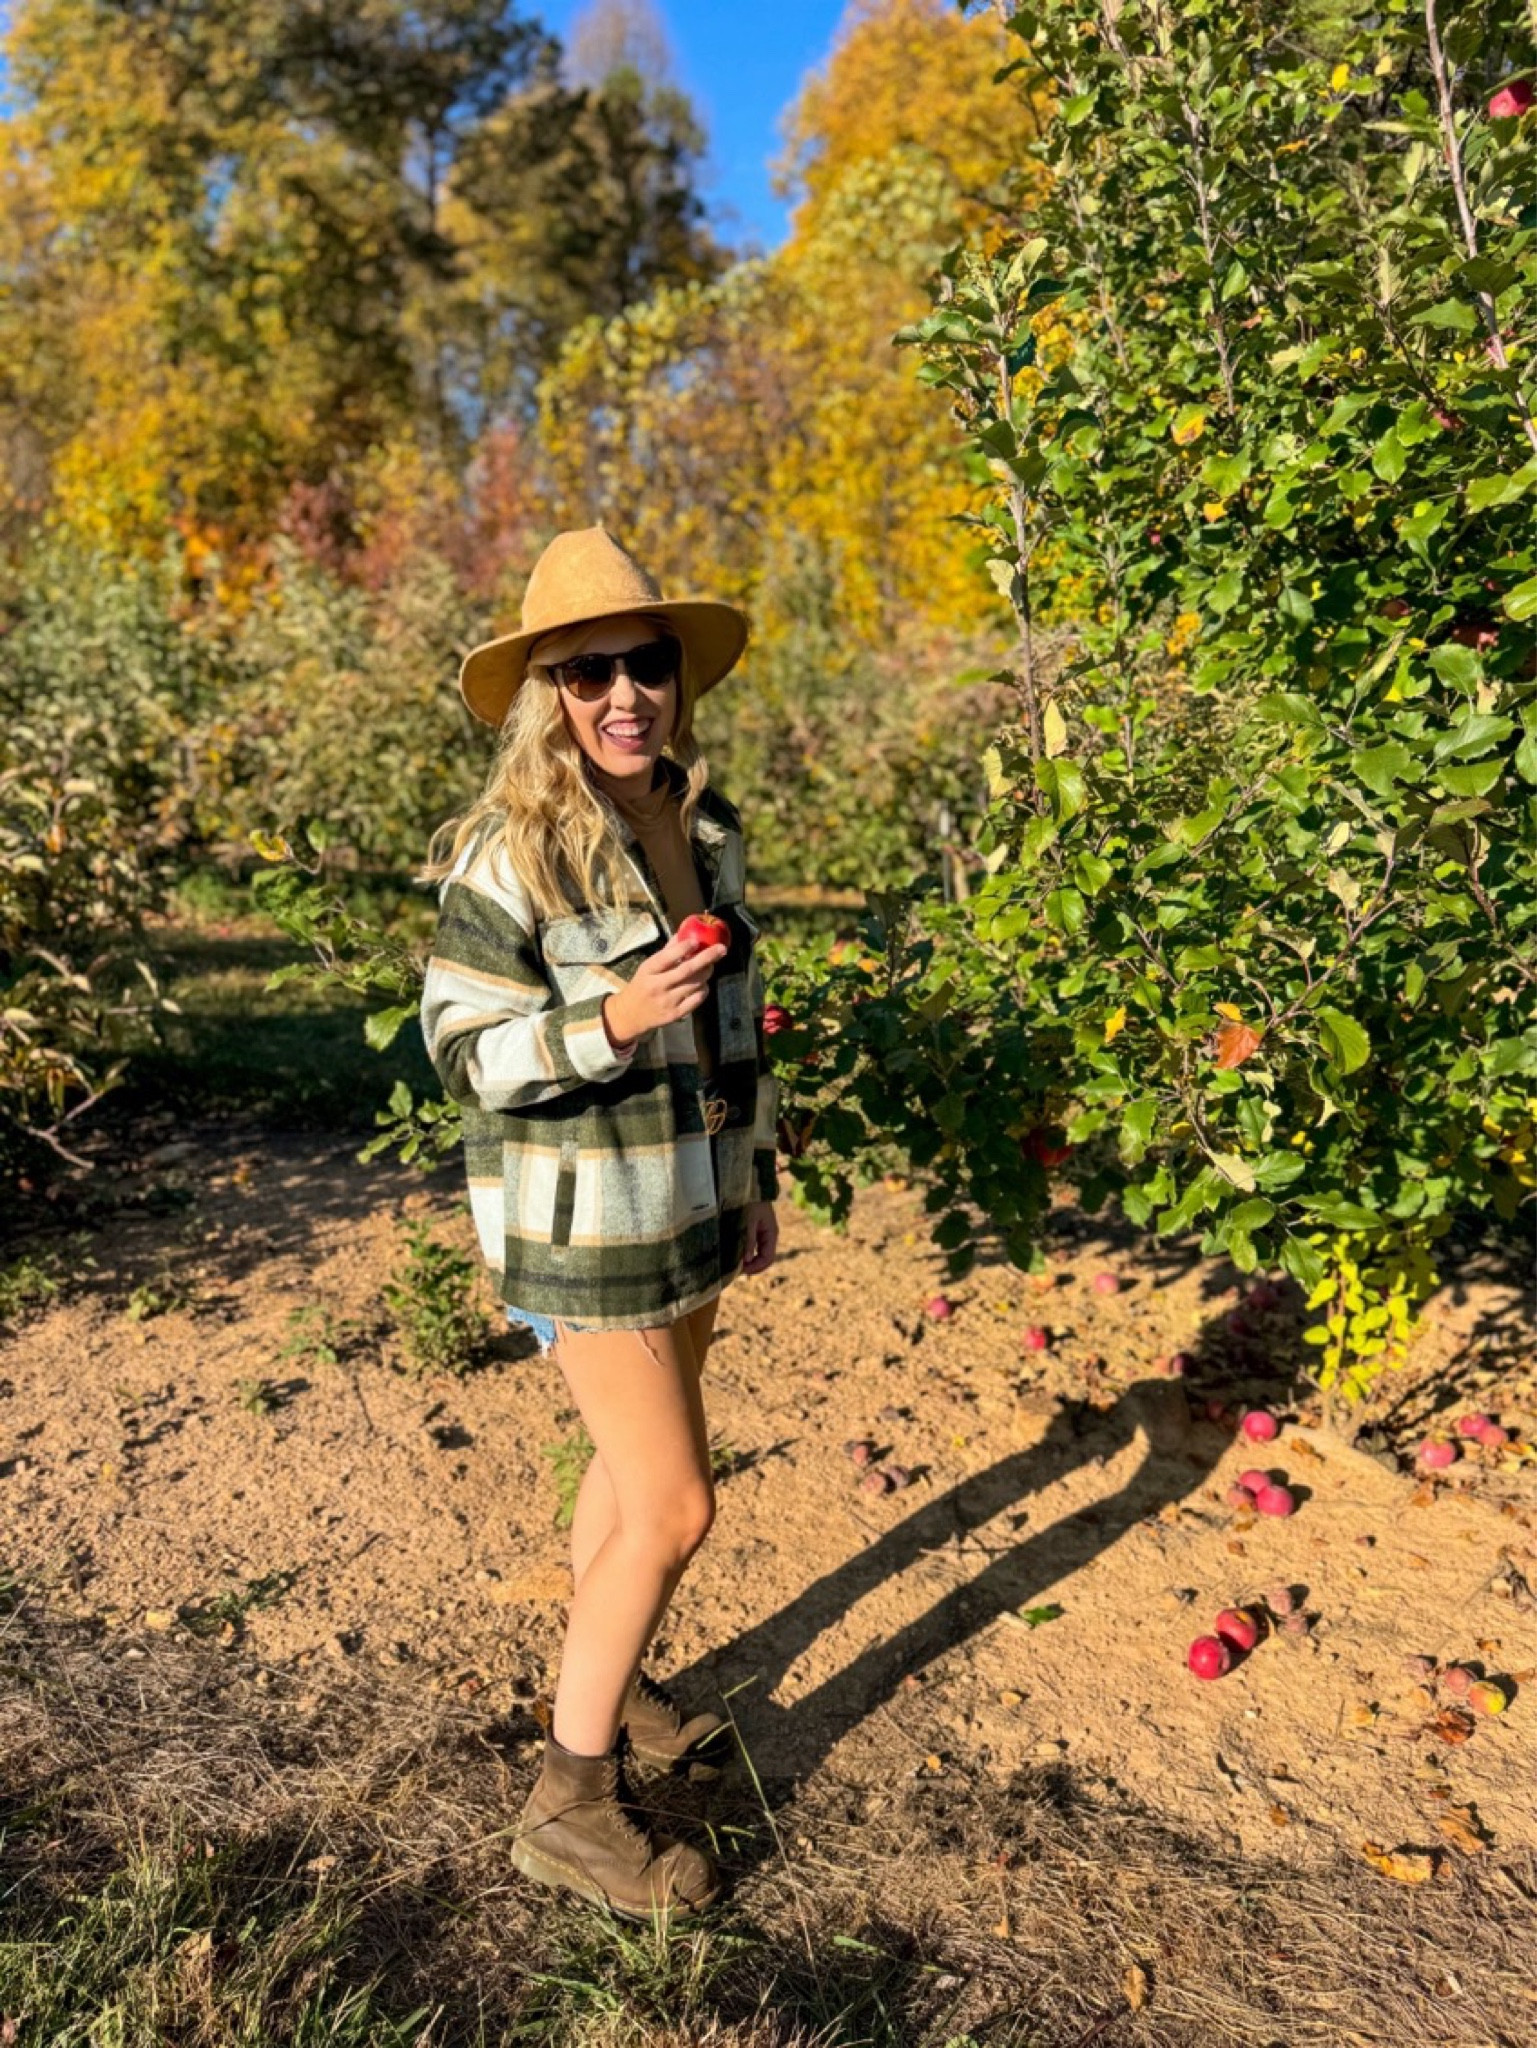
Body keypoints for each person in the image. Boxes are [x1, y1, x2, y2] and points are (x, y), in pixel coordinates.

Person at [418, 525, 779, 1922]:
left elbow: (737, 1033)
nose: (622, 695)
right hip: (582, 1223)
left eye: (644, 665)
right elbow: (466, 1056)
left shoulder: (697, 828)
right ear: (546, 697)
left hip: (688, 1203)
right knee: (677, 1504)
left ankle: (609, 1686)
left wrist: (748, 1178)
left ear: (675, 681)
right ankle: (567, 1804)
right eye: (585, 675)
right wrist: (609, 1020)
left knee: (630, 1488)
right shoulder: (511, 860)